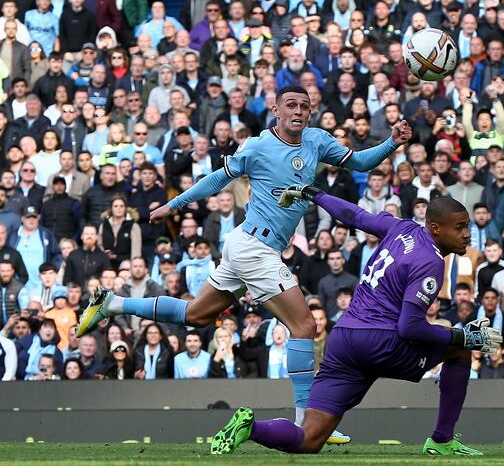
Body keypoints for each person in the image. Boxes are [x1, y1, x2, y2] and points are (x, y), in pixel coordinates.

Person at [76, 85, 412, 441]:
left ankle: (112, 304)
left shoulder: (316, 141)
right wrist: (172, 206)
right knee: (304, 327)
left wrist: (392, 142)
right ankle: (307, 423)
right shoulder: (257, 146)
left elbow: (359, 161)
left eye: (304, 106)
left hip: (248, 246)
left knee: (197, 316)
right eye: (291, 105)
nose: (298, 111)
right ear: (275, 110)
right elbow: (217, 180)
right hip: (254, 247)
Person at [210, 191, 501, 456]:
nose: (467, 234)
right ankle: (442, 440)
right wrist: (460, 336)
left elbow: (355, 216)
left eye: (467, 227)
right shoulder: (431, 262)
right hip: (380, 342)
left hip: (344, 338)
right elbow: (409, 328)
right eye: (460, 227)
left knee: (310, 439)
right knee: (458, 351)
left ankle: (251, 428)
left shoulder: (402, 228)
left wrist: (316, 194)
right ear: (436, 228)